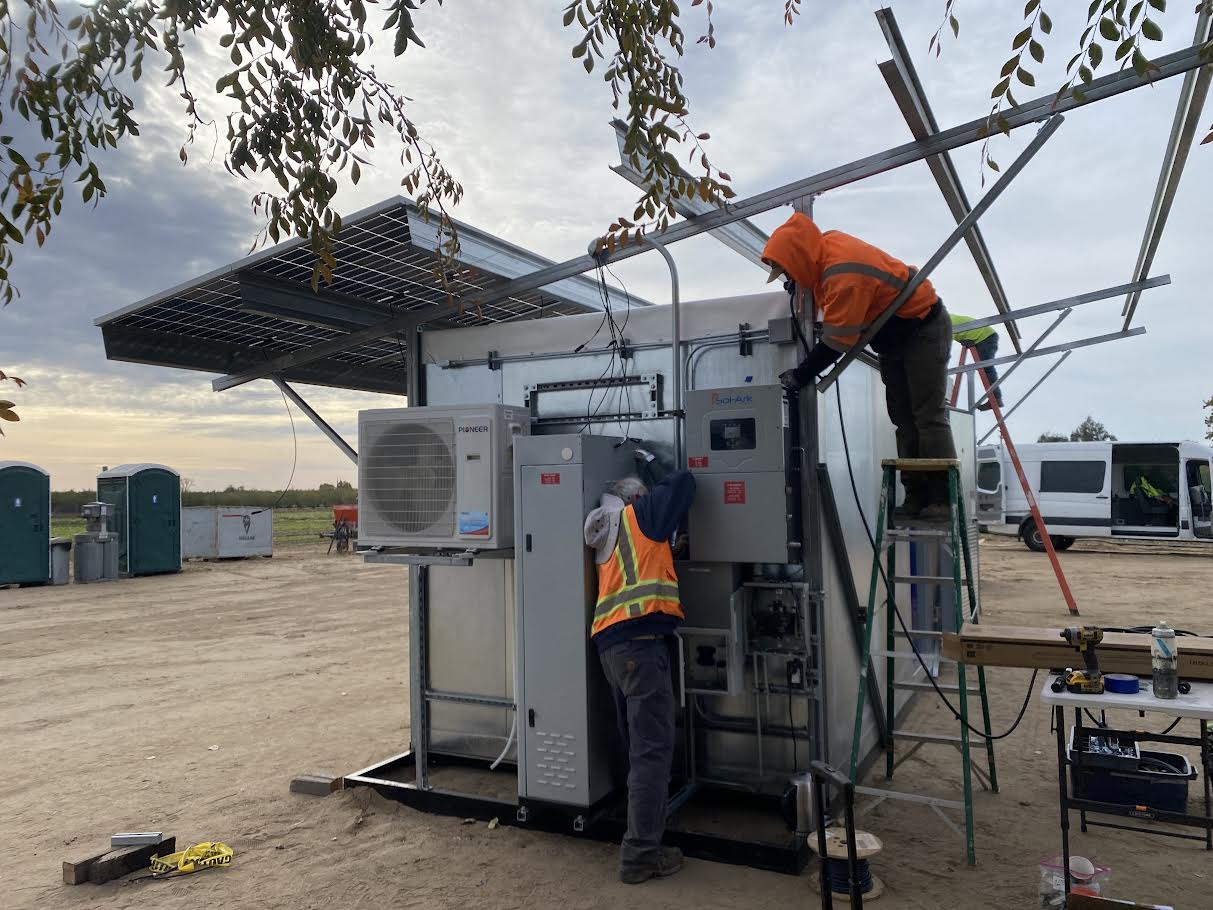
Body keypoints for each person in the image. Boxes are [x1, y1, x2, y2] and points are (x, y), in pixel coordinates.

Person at [762, 211, 955, 520]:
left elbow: (839, 340)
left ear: (798, 258)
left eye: (789, 272)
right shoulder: (824, 254)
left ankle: (942, 499)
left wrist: (801, 374)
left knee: (927, 416)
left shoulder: (843, 273)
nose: (791, 280)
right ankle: (916, 496)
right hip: (895, 339)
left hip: (923, 329)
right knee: (902, 418)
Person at [583, 461, 695, 884]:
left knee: (637, 751)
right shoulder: (640, 516)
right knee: (652, 755)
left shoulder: (609, 531)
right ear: (636, 500)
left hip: (612, 649)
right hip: (641, 650)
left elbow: (640, 566)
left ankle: (640, 833)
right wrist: (662, 469)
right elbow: (684, 483)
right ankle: (640, 857)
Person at [950, 313, 1003, 410]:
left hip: (986, 337)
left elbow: (943, 347)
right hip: (980, 336)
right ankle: (995, 398)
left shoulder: (945, 322)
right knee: (985, 367)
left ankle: (996, 398)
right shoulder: (943, 319)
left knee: (986, 367)